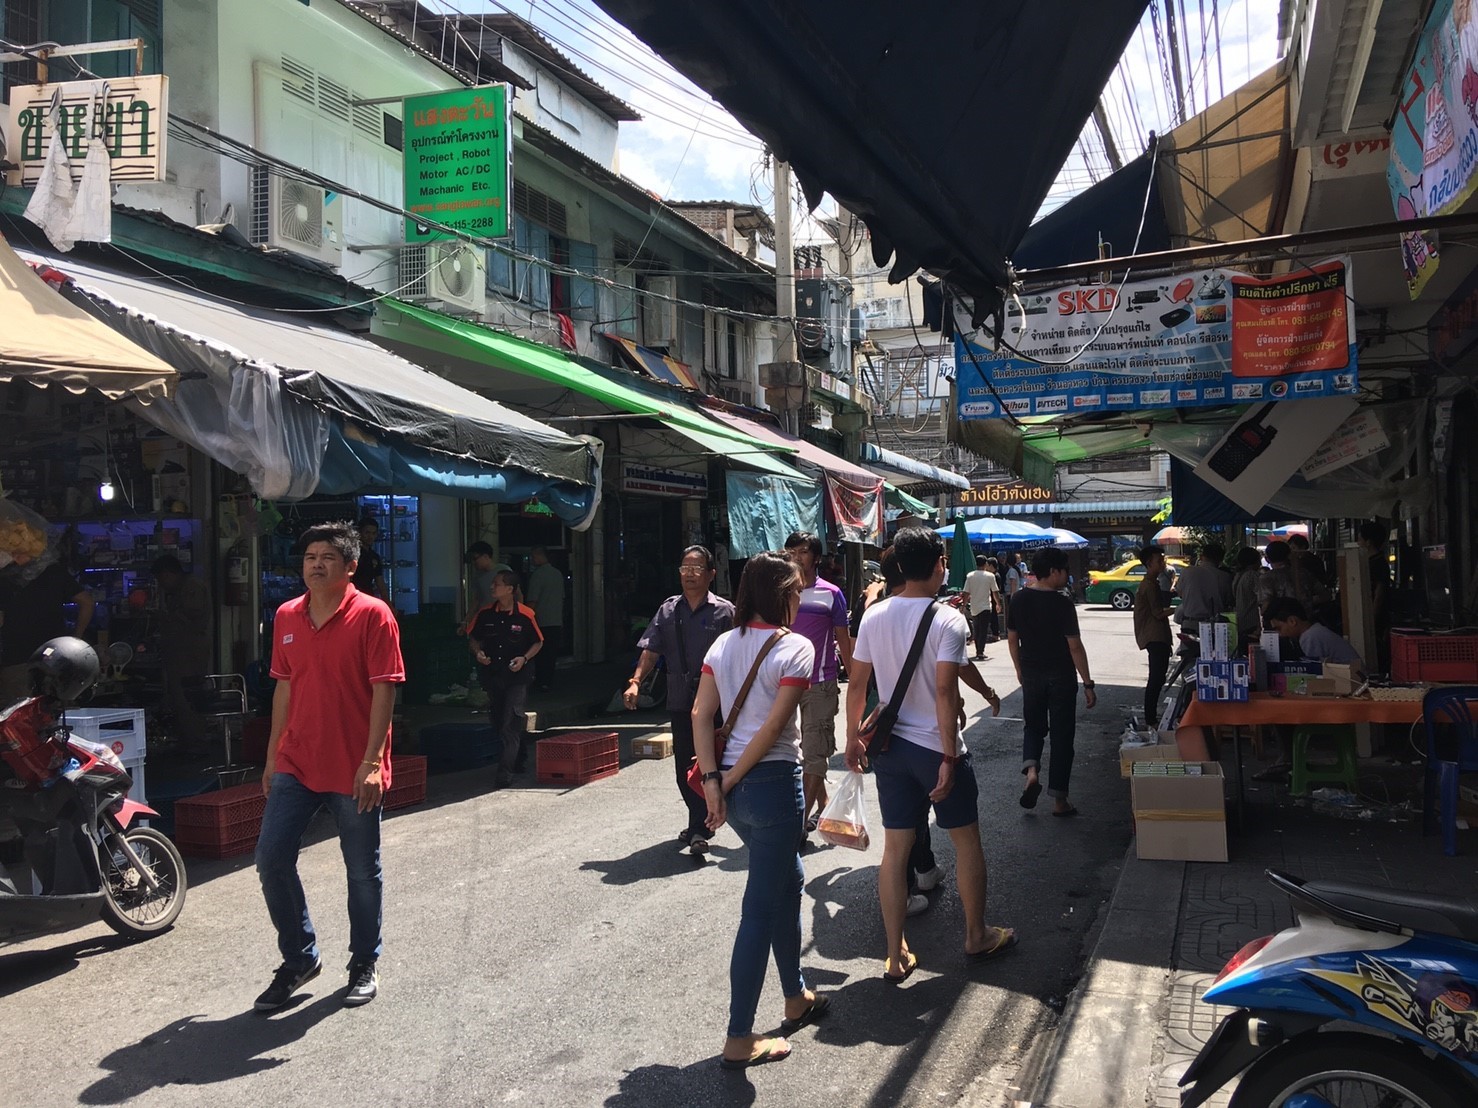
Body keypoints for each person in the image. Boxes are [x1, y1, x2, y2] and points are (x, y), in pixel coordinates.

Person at [846, 526, 1017, 982]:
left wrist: (851, 738)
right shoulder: (949, 619)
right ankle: (976, 935)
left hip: (890, 749)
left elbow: (858, 685)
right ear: (941, 564)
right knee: (965, 842)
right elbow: (945, 690)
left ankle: (894, 953)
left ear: (899, 567)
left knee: (895, 849)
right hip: (933, 749)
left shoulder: (873, 616)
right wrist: (947, 756)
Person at [255, 521, 404, 1011]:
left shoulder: (373, 616)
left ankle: (363, 961)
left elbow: (385, 689)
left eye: (327, 557)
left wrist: (371, 763)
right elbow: (284, 686)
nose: (315, 564)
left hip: (353, 765)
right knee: (271, 858)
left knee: (362, 871)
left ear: (350, 567)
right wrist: (274, 754)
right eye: (309, 557)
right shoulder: (286, 616)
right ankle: (299, 958)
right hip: (297, 761)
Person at [691, 551, 822, 1069]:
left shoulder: (723, 643)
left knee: (787, 881)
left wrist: (714, 782)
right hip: (770, 788)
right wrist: (726, 781)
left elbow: (702, 713)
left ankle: (796, 995)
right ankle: (739, 1036)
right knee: (758, 910)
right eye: (795, 588)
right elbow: (772, 729)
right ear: (780, 594)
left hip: (737, 793)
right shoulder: (797, 648)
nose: (800, 596)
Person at [625, 546, 735, 857]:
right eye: (685, 566)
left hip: (717, 703)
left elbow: (742, 656)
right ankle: (699, 822)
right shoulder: (668, 610)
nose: (689, 573)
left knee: (715, 764)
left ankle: (701, 825)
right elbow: (651, 649)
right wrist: (636, 682)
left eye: (697, 567)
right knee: (685, 768)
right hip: (680, 699)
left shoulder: (725, 612)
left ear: (711, 574)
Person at [1007, 546, 1096, 817]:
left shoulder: (1019, 599)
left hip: (1032, 673)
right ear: (1055, 571)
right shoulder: (1063, 603)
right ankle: (1059, 800)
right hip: (1061, 677)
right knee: (1062, 736)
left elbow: (1013, 639)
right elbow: (1075, 646)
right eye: (1066, 571)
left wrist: (1019, 669)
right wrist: (1088, 683)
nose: (1067, 576)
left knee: (1033, 727)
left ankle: (1032, 772)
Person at [782, 531, 854, 834]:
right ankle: (825, 808)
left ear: (816, 557)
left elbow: (843, 640)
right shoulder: (780, 592)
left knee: (815, 752)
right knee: (791, 753)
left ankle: (798, 826)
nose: (796, 558)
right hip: (783, 683)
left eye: (803, 552)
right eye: (791, 552)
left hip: (820, 682)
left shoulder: (831, 593)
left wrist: (857, 682)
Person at [466, 570, 544, 788]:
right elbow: (473, 638)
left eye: (497, 584)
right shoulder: (485, 614)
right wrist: (478, 652)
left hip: (518, 676)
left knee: (510, 721)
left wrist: (524, 658)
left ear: (510, 589)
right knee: (499, 720)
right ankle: (519, 757)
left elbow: (538, 642)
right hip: (493, 676)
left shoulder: (526, 615)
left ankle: (504, 773)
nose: (492, 588)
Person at [0, 547, 93, 703]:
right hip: (54, 660)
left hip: (17, 661)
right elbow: (87, 602)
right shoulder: (54, 571)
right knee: (49, 715)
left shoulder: (4, 575)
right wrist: (76, 638)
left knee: (20, 719)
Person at [152, 555, 211, 749]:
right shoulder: (180, 590)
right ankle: (188, 741)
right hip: (179, 653)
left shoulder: (192, 587)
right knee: (179, 698)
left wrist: (164, 617)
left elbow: (191, 616)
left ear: (169, 574)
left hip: (189, 654)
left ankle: (196, 742)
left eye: (162, 579)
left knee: (188, 697)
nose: (162, 584)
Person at [1264, 597, 1365, 672]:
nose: (1280, 634)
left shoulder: (1310, 637)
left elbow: (1315, 671)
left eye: (1279, 628)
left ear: (1292, 621)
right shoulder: (1315, 631)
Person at [1133, 547, 1173, 726]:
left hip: (1156, 635)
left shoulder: (1153, 582)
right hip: (1154, 635)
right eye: (1159, 560)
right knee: (1156, 677)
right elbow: (1157, 613)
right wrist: (1180, 609)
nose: (1163, 563)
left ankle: (1151, 716)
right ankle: (1150, 718)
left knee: (1158, 677)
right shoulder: (1149, 585)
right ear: (1149, 563)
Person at [524, 546, 565, 691]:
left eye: (534, 556)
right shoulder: (557, 574)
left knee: (539, 654)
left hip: (540, 621)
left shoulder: (538, 575)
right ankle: (547, 681)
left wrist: (525, 618)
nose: (533, 559)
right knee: (550, 654)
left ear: (541, 556)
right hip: (555, 619)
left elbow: (532, 601)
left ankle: (540, 681)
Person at [1174, 543, 1233, 626]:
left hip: (1190, 623)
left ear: (1201, 557)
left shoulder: (1187, 571)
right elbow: (1228, 601)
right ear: (1221, 560)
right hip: (1214, 625)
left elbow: (1180, 593)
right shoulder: (1225, 577)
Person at [963, 555, 1001, 660]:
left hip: (974, 606)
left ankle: (978, 650)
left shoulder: (970, 576)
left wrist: (963, 605)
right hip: (986, 606)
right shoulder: (990, 576)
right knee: (983, 630)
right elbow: (995, 592)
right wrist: (998, 603)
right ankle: (980, 651)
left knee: (977, 629)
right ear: (985, 564)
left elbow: (966, 592)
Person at [1231, 546, 1265, 652]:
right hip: (1252, 623)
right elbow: (1263, 598)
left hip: (1240, 621)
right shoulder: (1253, 576)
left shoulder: (1238, 575)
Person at [463, 541, 511, 614]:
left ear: (486, 556)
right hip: (485, 614)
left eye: (475, 558)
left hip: (503, 613)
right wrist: (467, 619)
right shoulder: (477, 576)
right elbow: (477, 600)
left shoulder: (504, 570)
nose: (473, 562)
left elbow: (517, 593)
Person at [350, 517, 387, 601]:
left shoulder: (374, 557)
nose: (370, 536)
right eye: (367, 533)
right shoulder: (351, 554)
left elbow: (380, 582)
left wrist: (388, 603)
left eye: (373, 533)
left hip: (368, 596)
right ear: (359, 533)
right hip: (352, 597)